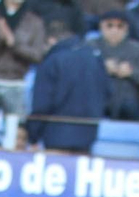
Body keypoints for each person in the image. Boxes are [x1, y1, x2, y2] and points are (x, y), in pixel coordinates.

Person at [26, 19, 109, 152]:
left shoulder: (52, 61)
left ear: (51, 40)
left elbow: (42, 104)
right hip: (88, 136)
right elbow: (107, 92)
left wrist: (33, 136)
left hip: (55, 136)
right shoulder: (95, 57)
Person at [0, 0, 46, 144]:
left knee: (14, 136)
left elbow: (37, 55)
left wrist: (14, 43)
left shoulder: (34, 21)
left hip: (16, 83)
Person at [97, 10, 139, 122]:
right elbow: (80, 76)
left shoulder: (137, 49)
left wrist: (132, 72)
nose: (114, 30)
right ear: (101, 27)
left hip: (128, 101)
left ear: (126, 29)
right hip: (97, 98)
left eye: (120, 26)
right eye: (109, 25)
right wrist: (101, 68)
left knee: (130, 106)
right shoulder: (90, 47)